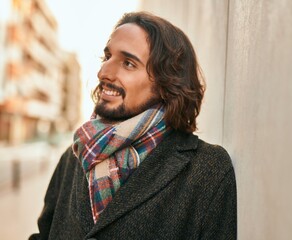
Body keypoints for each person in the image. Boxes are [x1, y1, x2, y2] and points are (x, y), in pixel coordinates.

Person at [30, 11, 236, 240]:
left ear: (166, 83)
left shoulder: (206, 169)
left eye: (128, 63)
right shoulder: (75, 156)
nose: (104, 72)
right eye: (107, 57)